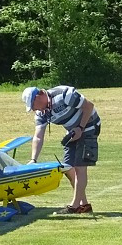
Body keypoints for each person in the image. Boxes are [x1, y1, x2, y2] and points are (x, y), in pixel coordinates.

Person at [21, 85, 102, 214]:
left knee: (80, 167)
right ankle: (84, 204)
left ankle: (74, 206)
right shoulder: (41, 113)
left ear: (38, 96)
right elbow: (38, 136)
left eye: (33, 105)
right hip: (72, 131)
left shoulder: (64, 94)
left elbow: (89, 106)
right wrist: (33, 159)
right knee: (67, 166)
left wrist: (80, 128)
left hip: (89, 126)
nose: (34, 109)